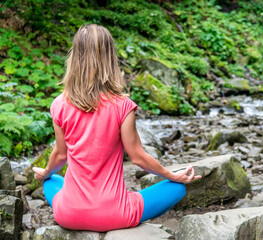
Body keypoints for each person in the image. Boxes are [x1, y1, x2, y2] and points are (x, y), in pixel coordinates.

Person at [32, 24, 201, 232]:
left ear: (75, 57)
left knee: (51, 180)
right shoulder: (123, 106)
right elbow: (138, 157)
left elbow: (59, 155)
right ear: (109, 58)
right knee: (177, 189)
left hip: (69, 215)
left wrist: (45, 173)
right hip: (115, 214)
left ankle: (64, 197)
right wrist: (172, 175)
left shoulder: (59, 104)